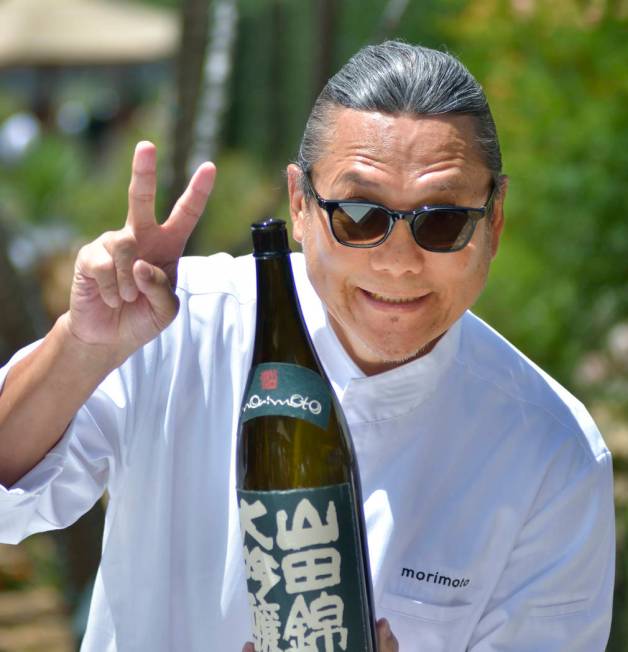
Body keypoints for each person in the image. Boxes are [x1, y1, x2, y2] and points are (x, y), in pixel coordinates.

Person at [0, 41, 614, 652]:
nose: (398, 262)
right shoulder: (177, 322)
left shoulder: (550, 451)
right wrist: (80, 346)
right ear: (299, 204)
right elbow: (11, 509)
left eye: (443, 220)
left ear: (495, 220)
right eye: (359, 214)